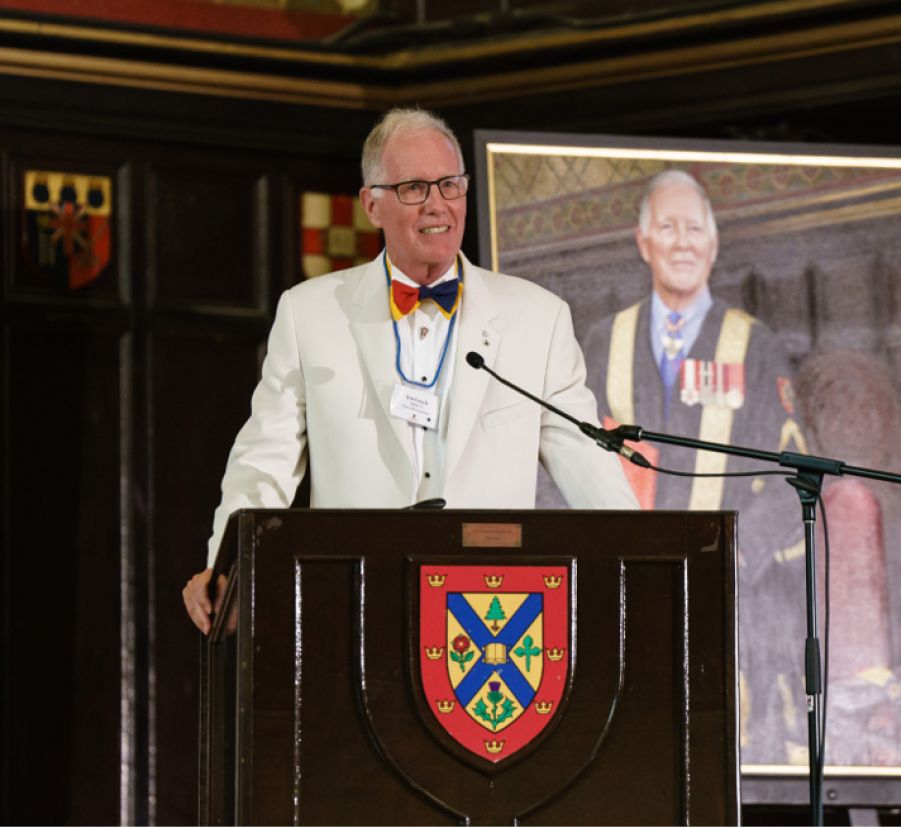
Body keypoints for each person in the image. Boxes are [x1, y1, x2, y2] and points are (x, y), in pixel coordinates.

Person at [183, 108, 636, 633]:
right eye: (414, 188)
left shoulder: (539, 318)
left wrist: (647, 562)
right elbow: (265, 459)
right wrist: (227, 571)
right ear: (371, 204)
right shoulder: (309, 312)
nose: (437, 205)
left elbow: (587, 463)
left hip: (496, 618)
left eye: (449, 184)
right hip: (355, 608)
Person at [580, 169, 809, 763]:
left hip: (733, 596)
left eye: (694, 229)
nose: (682, 242)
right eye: (667, 228)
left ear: (713, 242)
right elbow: (565, 463)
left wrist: (735, 555)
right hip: (624, 588)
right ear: (642, 241)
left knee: (721, 759)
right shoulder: (604, 340)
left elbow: (796, 477)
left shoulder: (755, 345)